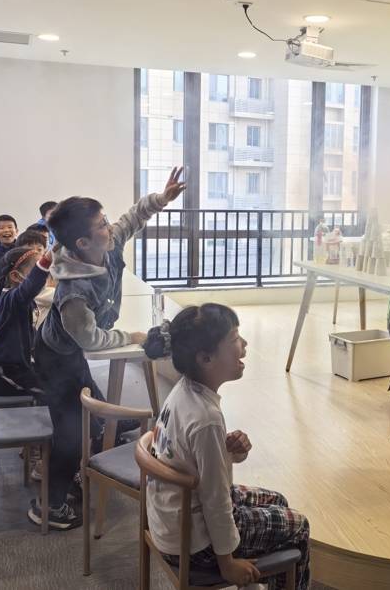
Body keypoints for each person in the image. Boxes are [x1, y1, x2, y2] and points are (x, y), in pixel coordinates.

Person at [29, 167, 185, 530]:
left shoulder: (106, 245)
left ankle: (74, 469)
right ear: (83, 243)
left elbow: (132, 218)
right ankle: (49, 506)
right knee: (71, 432)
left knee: (93, 419)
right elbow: (91, 340)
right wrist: (132, 337)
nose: (109, 227)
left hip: (71, 353)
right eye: (101, 224)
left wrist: (161, 199)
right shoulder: (73, 292)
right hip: (54, 357)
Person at [147, 304, 310, 589]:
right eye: (235, 338)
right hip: (195, 544)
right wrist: (227, 563)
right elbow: (215, 499)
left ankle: (260, 580)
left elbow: (192, 460)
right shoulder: (206, 419)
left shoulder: (183, 391)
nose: (244, 344)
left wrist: (230, 451)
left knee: (278, 501)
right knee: (299, 526)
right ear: (206, 358)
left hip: (172, 524)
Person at [0, 245, 49, 396]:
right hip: (2, 375)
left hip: (16, 367)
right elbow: (31, 286)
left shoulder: (14, 298)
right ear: (15, 276)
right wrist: (47, 259)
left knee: (63, 377)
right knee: (59, 392)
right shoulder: (11, 299)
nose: (46, 277)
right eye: (35, 270)